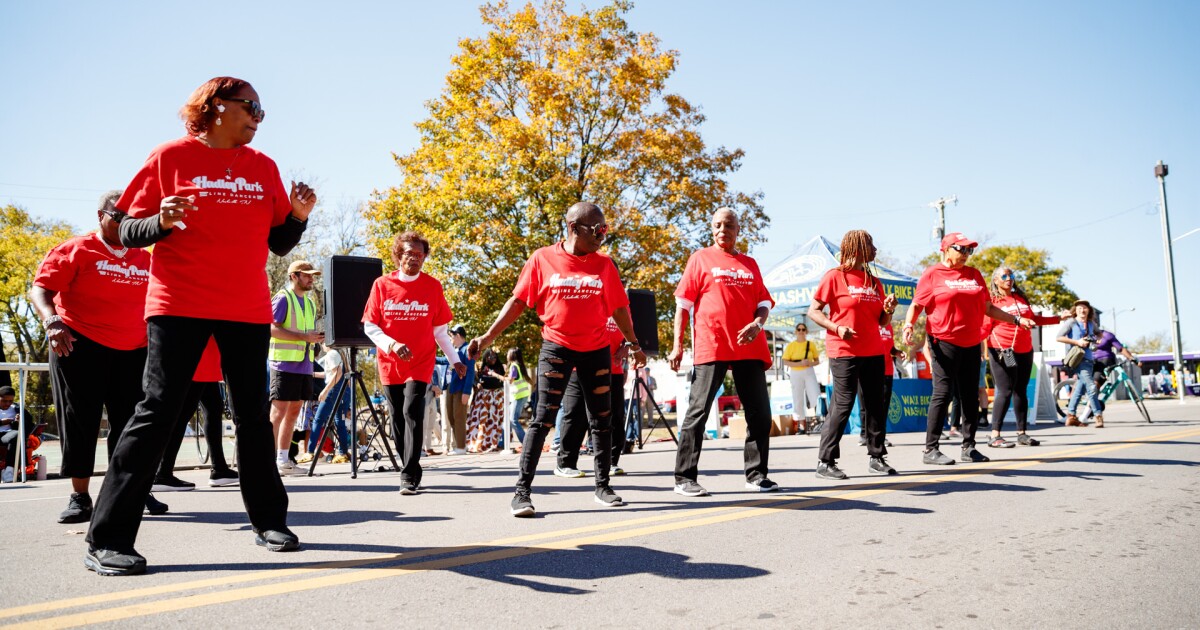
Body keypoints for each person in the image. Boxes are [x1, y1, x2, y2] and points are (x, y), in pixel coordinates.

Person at [84, 76, 316, 575]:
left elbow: (278, 244)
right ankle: (108, 538)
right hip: (178, 303)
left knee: (253, 416)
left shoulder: (263, 167)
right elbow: (122, 229)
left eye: (261, 108)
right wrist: (160, 223)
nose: (258, 115)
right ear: (214, 107)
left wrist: (296, 217)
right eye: (249, 105)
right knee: (157, 412)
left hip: (246, 308)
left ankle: (269, 521)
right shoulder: (170, 157)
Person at [468, 201, 646, 517]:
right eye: (597, 229)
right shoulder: (542, 259)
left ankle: (603, 487)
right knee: (542, 419)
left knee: (601, 420)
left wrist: (634, 344)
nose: (602, 235)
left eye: (605, 229)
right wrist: (487, 337)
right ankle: (521, 493)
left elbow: (619, 309)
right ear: (574, 227)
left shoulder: (604, 266)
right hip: (556, 348)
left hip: (595, 350)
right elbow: (518, 301)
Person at [28, 192, 167, 520]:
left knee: (132, 425)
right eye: (118, 216)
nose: (125, 224)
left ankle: (131, 491)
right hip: (79, 344)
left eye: (132, 218)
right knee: (81, 421)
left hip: (133, 350)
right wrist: (52, 321)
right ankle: (80, 497)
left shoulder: (144, 258)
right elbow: (41, 288)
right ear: (100, 214)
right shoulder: (76, 249)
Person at [668, 207, 778, 496]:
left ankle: (756, 475)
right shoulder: (700, 258)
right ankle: (684, 478)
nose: (722, 230)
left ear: (738, 229)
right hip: (712, 343)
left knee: (760, 415)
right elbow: (683, 305)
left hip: (749, 345)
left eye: (728, 225)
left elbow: (764, 302)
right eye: (716, 225)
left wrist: (757, 322)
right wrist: (677, 344)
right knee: (698, 412)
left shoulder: (750, 264)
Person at [902, 233, 1035, 466]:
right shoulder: (933, 273)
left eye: (968, 250)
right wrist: (908, 325)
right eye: (960, 249)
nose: (965, 254)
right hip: (943, 340)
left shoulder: (974, 275)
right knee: (942, 394)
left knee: (970, 396)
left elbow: (987, 308)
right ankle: (930, 449)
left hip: (971, 342)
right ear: (945, 249)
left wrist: (1015, 320)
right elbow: (917, 304)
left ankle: (969, 447)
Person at [362, 231, 464, 495]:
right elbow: (370, 326)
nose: (415, 259)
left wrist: (454, 360)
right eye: (409, 253)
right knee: (396, 419)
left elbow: (440, 331)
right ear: (398, 255)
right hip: (389, 361)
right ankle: (405, 460)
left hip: (421, 361)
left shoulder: (432, 286)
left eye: (420, 255)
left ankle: (410, 474)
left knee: (412, 410)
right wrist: (393, 344)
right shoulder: (382, 285)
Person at [807, 230, 898, 479]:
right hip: (844, 350)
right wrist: (836, 328)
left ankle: (877, 457)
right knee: (844, 403)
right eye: (870, 244)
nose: (875, 249)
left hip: (873, 351)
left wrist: (888, 309)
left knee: (875, 405)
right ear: (857, 249)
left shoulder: (873, 280)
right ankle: (825, 462)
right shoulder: (835, 277)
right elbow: (813, 311)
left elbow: (881, 321)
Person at [984, 267, 1067, 447]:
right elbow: (985, 327)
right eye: (1004, 276)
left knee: (1020, 390)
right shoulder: (992, 300)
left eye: (1011, 275)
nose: (1009, 278)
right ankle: (994, 434)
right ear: (996, 280)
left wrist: (1059, 318)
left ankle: (1022, 433)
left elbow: (1034, 320)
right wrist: (981, 349)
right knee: (1005, 390)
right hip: (1001, 349)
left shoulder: (1019, 297)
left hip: (1024, 349)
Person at [154, 337, 239, 488]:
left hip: (205, 357)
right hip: (200, 358)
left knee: (213, 408)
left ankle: (219, 469)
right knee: (184, 414)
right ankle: (162, 473)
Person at [555, 317, 631, 477]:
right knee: (576, 414)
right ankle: (566, 463)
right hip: (580, 367)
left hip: (613, 369)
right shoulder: (587, 297)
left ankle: (610, 462)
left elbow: (629, 335)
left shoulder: (624, 306)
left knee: (614, 416)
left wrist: (627, 350)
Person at [269, 260, 324, 475]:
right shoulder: (283, 298)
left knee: (293, 412)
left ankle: (284, 460)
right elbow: (271, 328)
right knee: (278, 412)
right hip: (283, 363)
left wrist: (316, 339)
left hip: (304, 365)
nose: (311, 278)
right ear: (294, 276)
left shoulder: (310, 303)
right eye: (307, 275)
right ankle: (269, 461)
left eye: (312, 275)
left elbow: (306, 333)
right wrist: (303, 337)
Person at [298, 344, 352, 465]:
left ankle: (310, 451)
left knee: (318, 419)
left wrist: (325, 390)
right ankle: (342, 453)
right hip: (343, 391)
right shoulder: (339, 354)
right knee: (340, 422)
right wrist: (312, 374)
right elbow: (331, 374)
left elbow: (336, 375)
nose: (321, 345)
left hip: (333, 391)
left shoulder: (331, 354)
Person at [1056, 300, 1103, 427]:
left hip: (1089, 359)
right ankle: (1098, 415)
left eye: (1084, 308)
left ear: (1089, 310)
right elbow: (1059, 337)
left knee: (1080, 388)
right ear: (1075, 310)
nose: (1082, 310)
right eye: (1079, 308)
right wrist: (1077, 342)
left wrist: (1098, 339)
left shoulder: (1091, 324)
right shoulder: (1071, 322)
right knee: (1091, 387)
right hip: (1078, 359)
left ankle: (1071, 416)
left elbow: (1099, 333)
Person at [781, 321, 821, 434]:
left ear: (806, 331)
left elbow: (817, 361)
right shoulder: (791, 345)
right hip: (795, 372)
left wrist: (809, 363)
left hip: (809, 370)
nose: (801, 331)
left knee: (815, 394)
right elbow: (785, 361)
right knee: (797, 398)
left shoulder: (811, 344)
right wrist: (799, 364)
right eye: (799, 329)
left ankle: (816, 421)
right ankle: (801, 425)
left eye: (803, 329)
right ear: (795, 332)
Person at [443, 326, 475, 455]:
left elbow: (471, 371)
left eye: (451, 336)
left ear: (458, 335)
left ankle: (461, 447)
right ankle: (458, 446)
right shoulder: (455, 350)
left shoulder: (467, 350)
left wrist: (467, 392)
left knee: (459, 417)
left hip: (461, 388)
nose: (450, 339)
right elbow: (445, 361)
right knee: (451, 416)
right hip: (451, 386)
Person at [466, 349, 506, 453]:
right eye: (490, 357)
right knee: (482, 421)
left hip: (496, 397)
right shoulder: (480, 367)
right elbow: (474, 379)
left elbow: (504, 380)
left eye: (494, 357)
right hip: (483, 398)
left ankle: (494, 443)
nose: (493, 359)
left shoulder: (500, 367)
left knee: (495, 421)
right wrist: (477, 384)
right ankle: (480, 443)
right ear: (486, 358)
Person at [0, 386, 36, 483]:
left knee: (17, 435)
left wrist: (20, 421)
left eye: (10, 401)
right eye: (4, 401)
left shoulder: (17, 408)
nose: (7, 404)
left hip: (8, 434)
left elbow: (30, 426)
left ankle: (9, 470)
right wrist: (1, 422)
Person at [502, 347, 532, 449]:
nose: (506, 355)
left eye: (508, 354)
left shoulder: (514, 366)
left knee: (512, 419)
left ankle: (526, 442)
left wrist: (495, 375)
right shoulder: (518, 366)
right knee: (507, 419)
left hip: (518, 396)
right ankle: (502, 443)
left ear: (512, 355)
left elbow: (510, 380)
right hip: (520, 395)